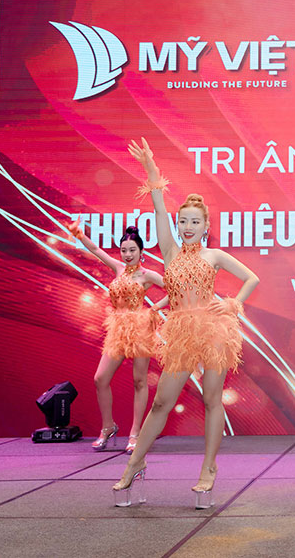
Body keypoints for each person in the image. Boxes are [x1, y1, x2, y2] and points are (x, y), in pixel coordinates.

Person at [113, 138, 259, 508]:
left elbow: (251, 278)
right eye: (183, 221)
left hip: (213, 332)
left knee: (212, 399)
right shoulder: (170, 252)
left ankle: (208, 469)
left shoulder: (214, 255)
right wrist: (150, 169)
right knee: (162, 402)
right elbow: (158, 206)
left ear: (206, 225)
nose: (188, 226)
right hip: (180, 333)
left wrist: (233, 305)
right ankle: (135, 463)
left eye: (195, 221)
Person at [67, 220, 166, 453]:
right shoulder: (118, 268)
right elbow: (95, 249)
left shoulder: (148, 275)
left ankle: (135, 433)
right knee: (100, 378)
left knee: (139, 382)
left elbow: (174, 290)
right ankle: (108, 427)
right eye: (124, 251)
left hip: (140, 330)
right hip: (117, 330)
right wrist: (79, 234)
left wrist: (154, 308)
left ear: (141, 251)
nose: (128, 255)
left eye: (132, 250)